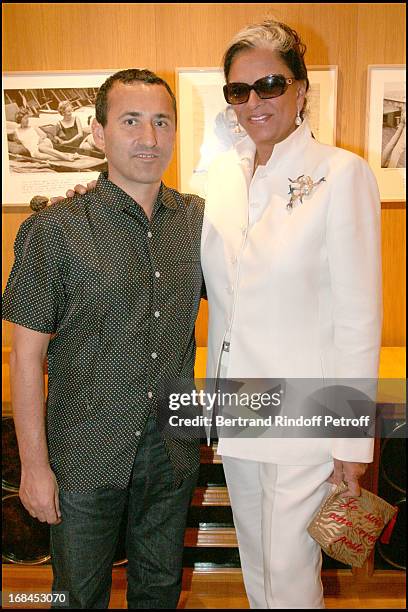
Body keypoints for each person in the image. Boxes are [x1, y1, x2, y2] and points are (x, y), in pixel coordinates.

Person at [2, 68, 204, 609]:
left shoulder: (199, 223)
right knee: (76, 596)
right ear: (97, 132)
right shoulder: (53, 229)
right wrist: (33, 466)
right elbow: (25, 360)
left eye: (162, 122)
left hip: (172, 448)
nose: (149, 137)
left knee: (160, 589)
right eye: (131, 121)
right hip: (84, 454)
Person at [200, 20, 382, 608]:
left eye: (270, 85)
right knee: (257, 564)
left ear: (301, 90)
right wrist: (92, 197)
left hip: (306, 415)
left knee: (288, 573)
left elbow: (358, 319)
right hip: (239, 406)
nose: (254, 102)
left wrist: (351, 444)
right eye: (238, 90)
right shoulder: (220, 180)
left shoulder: (341, 174)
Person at [13, 111, 81, 162]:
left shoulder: (33, 127)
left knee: (41, 147)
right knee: (40, 156)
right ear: (20, 120)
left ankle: (66, 158)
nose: (27, 120)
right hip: (34, 151)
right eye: (25, 118)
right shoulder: (16, 131)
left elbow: (44, 135)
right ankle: (70, 156)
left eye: (28, 118)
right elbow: (17, 141)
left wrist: (40, 139)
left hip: (43, 143)